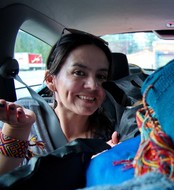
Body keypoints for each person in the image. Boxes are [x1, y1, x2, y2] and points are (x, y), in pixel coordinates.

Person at [0, 29, 120, 175]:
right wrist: (17, 130)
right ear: (51, 80)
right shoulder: (23, 115)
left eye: (101, 76)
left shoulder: (113, 132)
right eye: (79, 73)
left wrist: (111, 159)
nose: (93, 85)